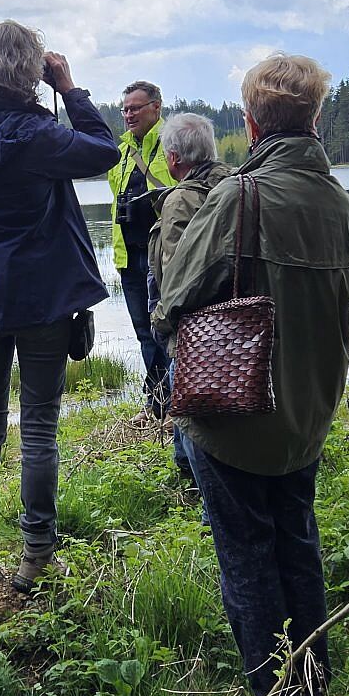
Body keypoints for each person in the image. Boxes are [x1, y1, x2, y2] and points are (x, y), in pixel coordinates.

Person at [153, 55, 349, 696]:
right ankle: (313, 692)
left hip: (235, 413)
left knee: (245, 553)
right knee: (297, 541)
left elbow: (173, 301)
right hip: (308, 410)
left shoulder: (239, 197)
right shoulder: (338, 200)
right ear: (315, 119)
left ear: (249, 123)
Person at [0, 21, 119, 593]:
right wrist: (69, 88)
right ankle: (37, 556)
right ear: (29, 70)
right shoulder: (40, 137)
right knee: (39, 429)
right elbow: (106, 151)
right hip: (41, 300)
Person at [148, 111, 235, 491]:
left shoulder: (181, 199)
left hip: (195, 326)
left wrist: (161, 319)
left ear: (173, 159)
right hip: (236, 322)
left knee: (188, 406)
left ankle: (196, 487)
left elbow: (176, 274)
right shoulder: (237, 183)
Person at [110, 80, 176, 416]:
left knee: (166, 329)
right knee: (143, 333)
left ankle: (176, 400)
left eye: (135, 108)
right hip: (129, 255)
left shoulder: (173, 143)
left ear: (156, 107)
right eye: (125, 109)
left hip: (163, 255)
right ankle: (156, 403)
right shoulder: (120, 153)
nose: (129, 114)